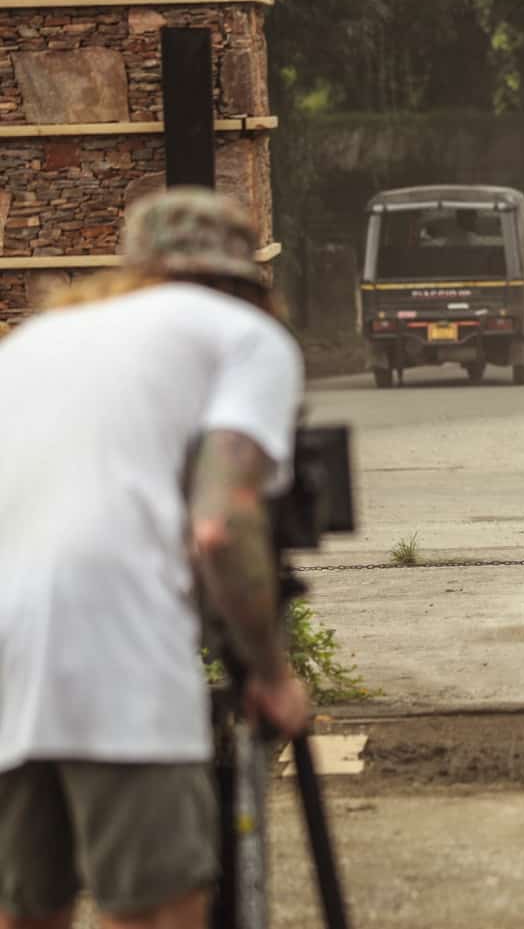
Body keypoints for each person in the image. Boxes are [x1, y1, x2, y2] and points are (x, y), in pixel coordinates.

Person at [0, 189, 310, 929]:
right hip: (121, 647)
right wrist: (270, 672)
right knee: (154, 909)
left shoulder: (34, 341)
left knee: (25, 908)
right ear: (244, 280)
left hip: (7, 651)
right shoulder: (243, 337)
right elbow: (222, 521)